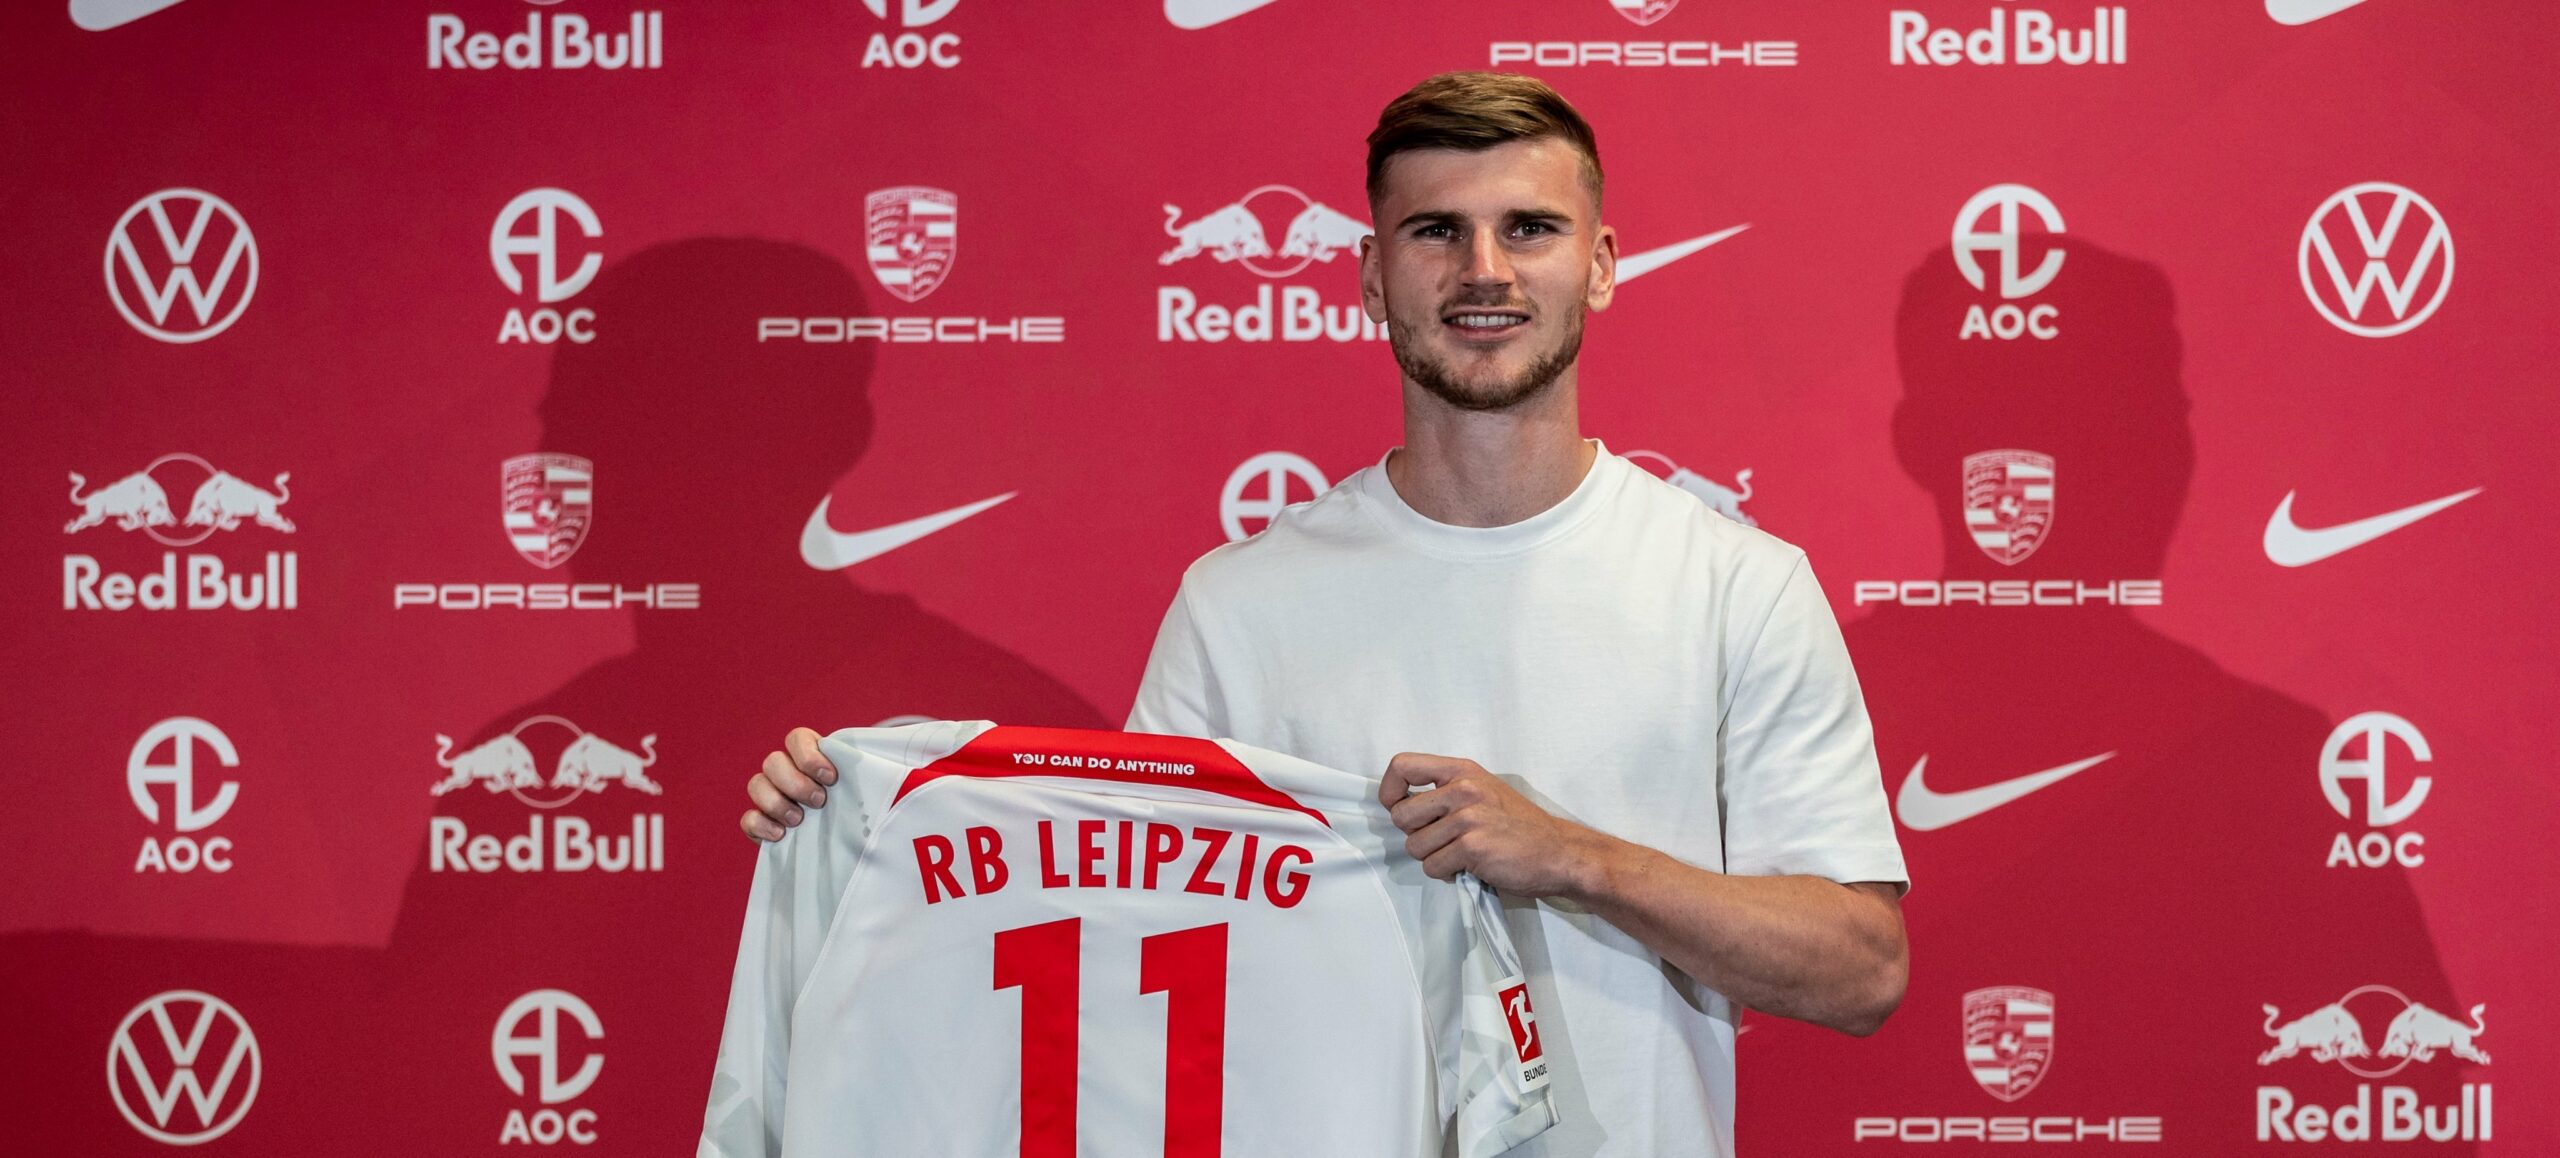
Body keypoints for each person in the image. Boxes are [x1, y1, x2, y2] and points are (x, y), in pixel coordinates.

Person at [741, 72, 1909, 1158]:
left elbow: (1861, 972)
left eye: (1529, 228)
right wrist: (862, 832)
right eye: (1434, 231)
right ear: (1368, 275)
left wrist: (1573, 858)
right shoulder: (1240, 603)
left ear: (1599, 266)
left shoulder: (1737, 585)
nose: (1484, 270)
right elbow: (1114, 939)